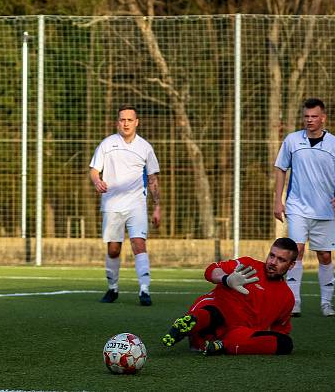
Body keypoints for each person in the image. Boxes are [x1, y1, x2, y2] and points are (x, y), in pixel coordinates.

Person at [274, 97, 335, 318]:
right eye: (306, 116)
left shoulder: (334, 143)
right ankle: (294, 302)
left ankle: (326, 303)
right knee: (296, 251)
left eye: (314, 116)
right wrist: (277, 200)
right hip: (297, 207)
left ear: (323, 118)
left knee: (325, 256)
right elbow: (280, 169)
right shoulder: (292, 140)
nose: (309, 120)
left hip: (324, 210)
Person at [161, 237, 299, 356]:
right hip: (213, 316)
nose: (273, 262)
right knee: (212, 312)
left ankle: (221, 346)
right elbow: (211, 270)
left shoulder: (287, 298)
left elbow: (280, 331)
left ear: (291, 265)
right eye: (272, 255)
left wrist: (265, 342)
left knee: (285, 343)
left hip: (237, 333)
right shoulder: (248, 266)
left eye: (281, 260)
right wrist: (226, 279)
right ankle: (189, 325)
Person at [89, 104, 160, 306]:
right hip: (111, 205)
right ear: (117, 122)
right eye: (122, 119)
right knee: (113, 249)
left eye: (130, 119)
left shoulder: (145, 148)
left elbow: (153, 178)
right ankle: (113, 289)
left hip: (137, 205)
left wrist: (157, 206)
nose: (126, 123)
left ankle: (144, 290)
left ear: (136, 122)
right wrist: (97, 181)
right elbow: (94, 170)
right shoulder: (107, 144)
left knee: (139, 244)